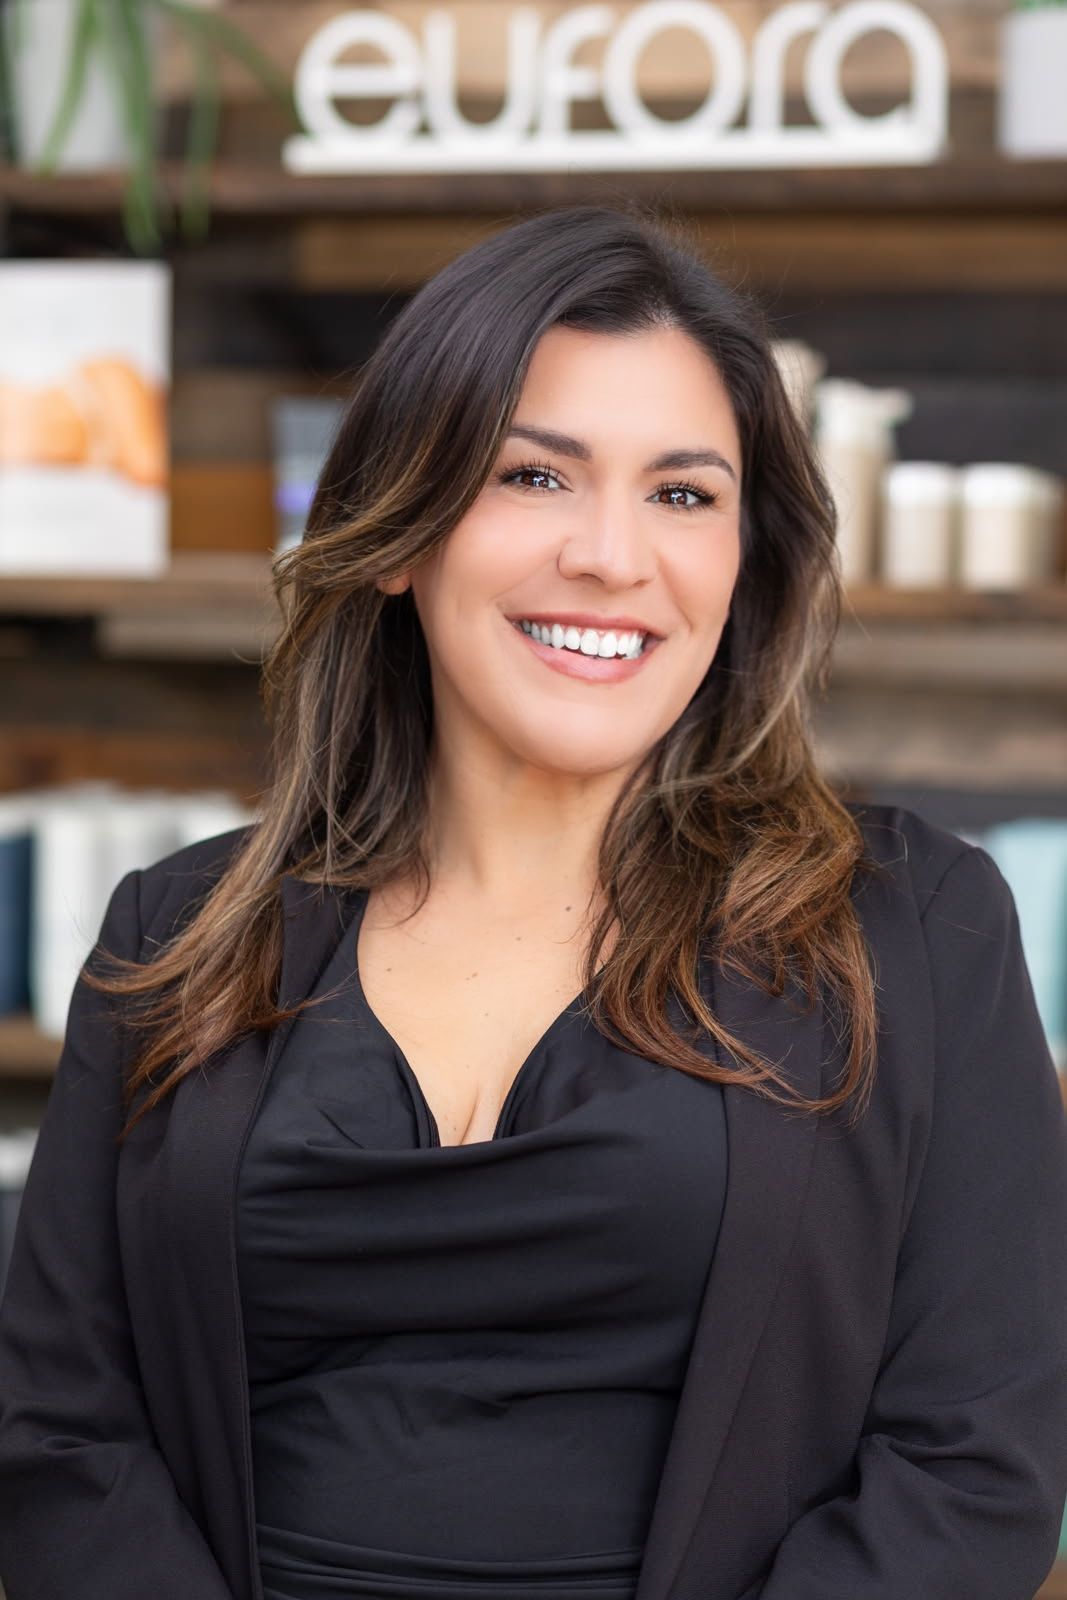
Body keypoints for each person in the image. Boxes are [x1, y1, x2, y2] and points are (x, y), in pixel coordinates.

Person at [1, 201, 1065, 1600]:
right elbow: (61, 1437)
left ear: (744, 565)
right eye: (535, 478)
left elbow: (971, 1463)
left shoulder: (916, 928)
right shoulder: (177, 933)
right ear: (397, 531)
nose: (614, 557)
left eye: (683, 494)